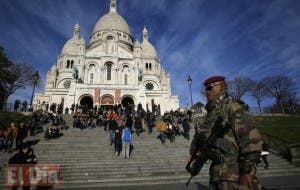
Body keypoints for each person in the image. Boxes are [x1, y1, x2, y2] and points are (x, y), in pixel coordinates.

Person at [188, 76, 262, 190]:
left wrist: (246, 173)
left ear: (222, 87)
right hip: (217, 175)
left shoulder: (233, 107)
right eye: (206, 89)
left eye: (209, 88)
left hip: (235, 175)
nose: (206, 92)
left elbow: (251, 140)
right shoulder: (211, 115)